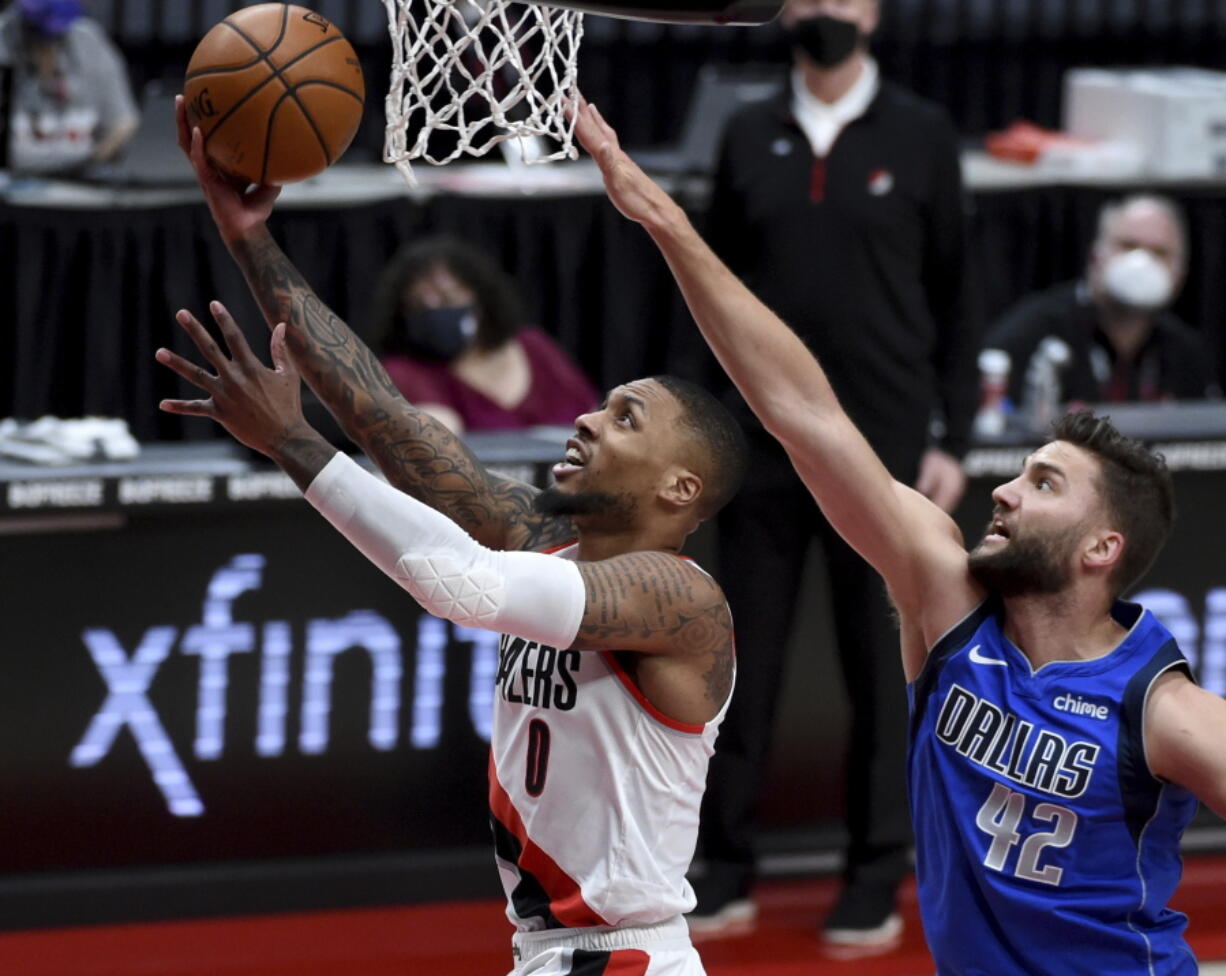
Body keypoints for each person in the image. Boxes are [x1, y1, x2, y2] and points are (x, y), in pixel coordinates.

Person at [574, 97, 1226, 976]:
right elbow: (803, 413)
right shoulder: (945, 601)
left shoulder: (1161, 707)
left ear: (1099, 548)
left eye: (1042, 484)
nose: (1002, 490)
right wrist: (664, 220)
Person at [160, 95, 747, 976]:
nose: (586, 417)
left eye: (624, 418)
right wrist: (246, 235)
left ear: (680, 486)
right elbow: (387, 418)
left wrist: (292, 441)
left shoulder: (680, 598)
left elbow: (459, 586)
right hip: (549, 954)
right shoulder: (547, 534)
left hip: (625, 960)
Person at [675, 0, 978, 947]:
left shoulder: (923, 136)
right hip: (758, 457)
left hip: (884, 458)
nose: (824, 10)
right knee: (737, 672)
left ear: (874, 11)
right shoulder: (744, 130)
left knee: (881, 675)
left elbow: (959, 297)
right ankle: (721, 866)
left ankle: (874, 873)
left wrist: (955, 440)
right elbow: (710, 292)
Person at [984, 194, 1219, 409]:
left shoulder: (1186, 353)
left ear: (1180, 274)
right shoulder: (1031, 334)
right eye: (1128, 245)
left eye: (1159, 252)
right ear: (1095, 257)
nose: (1141, 262)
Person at [371, 235, 600, 434]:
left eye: (447, 298)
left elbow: (594, 415)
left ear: (481, 299)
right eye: (419, 304)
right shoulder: (407, 371)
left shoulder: (533, 345)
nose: (435, 311)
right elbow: (439, 441)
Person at [0, 0, 139, 174]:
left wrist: (97, 157)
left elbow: (124, 122)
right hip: (12, 180)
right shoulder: (4, 38)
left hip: (83, 178)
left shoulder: (89, 40)